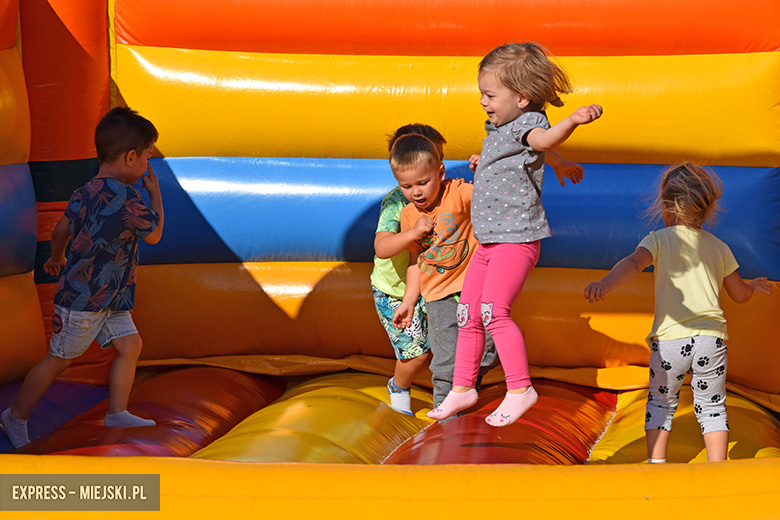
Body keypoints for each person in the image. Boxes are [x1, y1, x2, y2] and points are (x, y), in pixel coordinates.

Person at [428, 42, 602, 426]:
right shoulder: (501, 128)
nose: (482, 101)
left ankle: (521, 390)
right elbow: (532, 154)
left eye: (490, 95)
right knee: (467, 312)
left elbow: (541, 142)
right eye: (481, 94)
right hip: (490, 241)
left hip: (515, 240)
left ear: (522, 98)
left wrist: (571, 121)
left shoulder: (531, 123)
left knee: (493, 312)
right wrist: (556, 165)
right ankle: (462, 388)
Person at [583, 162, 773, 462]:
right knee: (712, 406)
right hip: (712, 340)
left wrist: (606, 283)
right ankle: (717, 468)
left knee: (661, 401)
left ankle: (657, 464)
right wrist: (752, 286)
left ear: (666, 206)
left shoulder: (658, 239)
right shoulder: (720, 247)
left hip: (671, 341)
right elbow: (738, 294)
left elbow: (633, 263)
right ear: (708, 208)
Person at [0, 106, 164, 449]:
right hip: (85, 301)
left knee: (130, 345)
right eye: (147, 158)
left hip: (109, 298)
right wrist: (155, 193)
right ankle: (15, 416)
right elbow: (154, 234)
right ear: (131, 156)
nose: (148, 167)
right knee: (58, 361)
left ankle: (117, 412)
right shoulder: (128, 199)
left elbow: (61, 229)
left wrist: (57, 258)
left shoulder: (84, 191)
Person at [371, 124, 445, 415]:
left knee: (448, 345)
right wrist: (412, 233)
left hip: (432, 286)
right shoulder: (396, 202)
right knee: (417, 353)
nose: (417, 189)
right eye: (407, 182)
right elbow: (382, 247)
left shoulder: (444, 191)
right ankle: (399, 388)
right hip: (394, 290)